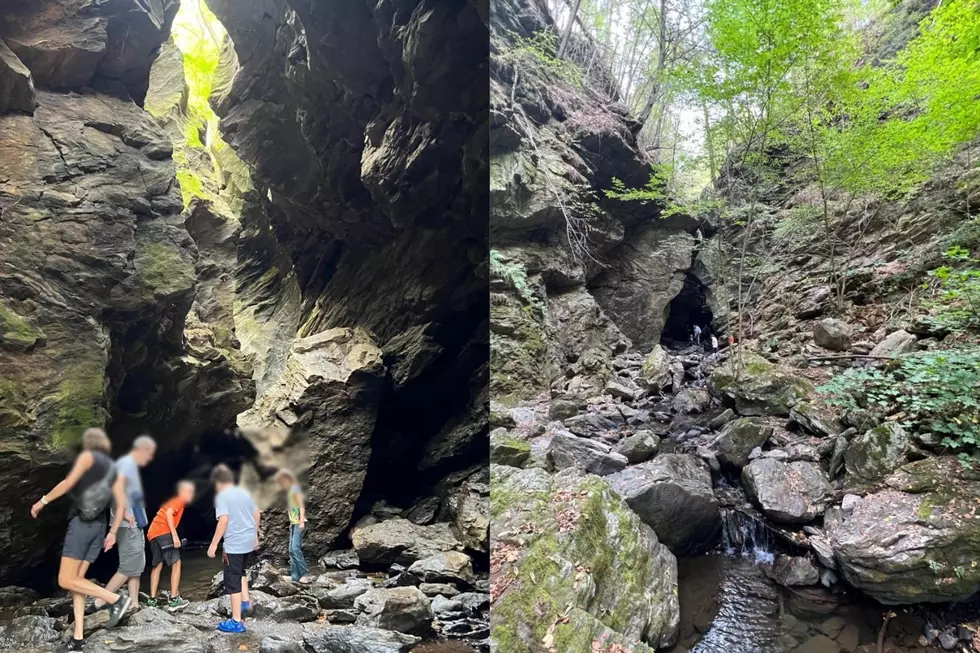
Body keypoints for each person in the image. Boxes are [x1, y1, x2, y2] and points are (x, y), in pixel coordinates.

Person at [30, 428, 132, 650]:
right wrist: (113, 533)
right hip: (99, 527)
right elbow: (121, 504)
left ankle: (115, 600)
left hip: (81, 525)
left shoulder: (88, 458)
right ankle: (78, 639)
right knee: (77, 582)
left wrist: (42, 501)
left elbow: (68, 484)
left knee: (65, 580)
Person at [95, 435, 155, 610]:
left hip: (135, 525)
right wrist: (125, 515)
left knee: (136, 566)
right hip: (127, 525)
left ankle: (134, 603)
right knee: (127, 567)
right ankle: (100, 601)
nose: (150, 458)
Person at [207, 464, 260, 634]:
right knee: (241, 571)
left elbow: (223, 520)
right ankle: (245, 601)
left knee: (233, 580)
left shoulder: (222, 496)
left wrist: (214, 544)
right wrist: (256, 535)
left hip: (234, 544)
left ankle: (236, 621)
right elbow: (257, 512)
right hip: (247, 542)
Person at [146, 480, 196, 610]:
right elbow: (169, 514)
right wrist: (175, 536)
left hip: (153, 532)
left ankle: (152, 600)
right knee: (176, 563)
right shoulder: (179, 500)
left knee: (157, 565)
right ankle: (174, 600)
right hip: (164, 531)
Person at [275, 470, 312, 583]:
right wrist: (291, 523)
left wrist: (301, 521)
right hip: (294, 523)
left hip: (300, 522)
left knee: (296, 548)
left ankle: (305, 574)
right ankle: (295, 576)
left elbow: (301, 506)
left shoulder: (296, 489)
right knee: (291, 550)